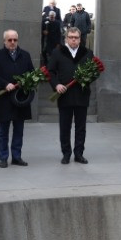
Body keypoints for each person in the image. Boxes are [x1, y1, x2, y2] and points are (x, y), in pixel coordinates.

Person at [0, 29, 34, 168]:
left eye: (15, 40)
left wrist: (27, 81)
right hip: (4, 100)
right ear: (4, 41)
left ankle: (17, 157)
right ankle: (3, 157)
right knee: (3, 132)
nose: (12, 42)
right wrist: (5, 84)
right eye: (10, 40)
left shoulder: (25, 55)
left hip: (20, 99)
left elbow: (31, 73)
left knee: (19, 130)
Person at [47, 27, 94, 164]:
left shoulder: (87, 53)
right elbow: (50, 71)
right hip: (64, 95)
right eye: (71, 37)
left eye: (76, 37)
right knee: (65, 126)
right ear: (66, 38)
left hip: (81, 95)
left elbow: (93, 72)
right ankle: (66, 153)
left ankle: (79, 154)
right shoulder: (57, 52)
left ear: (80, 39)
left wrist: (87, 79)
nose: (74, 40)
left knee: (81, 127)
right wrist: (56, 85)